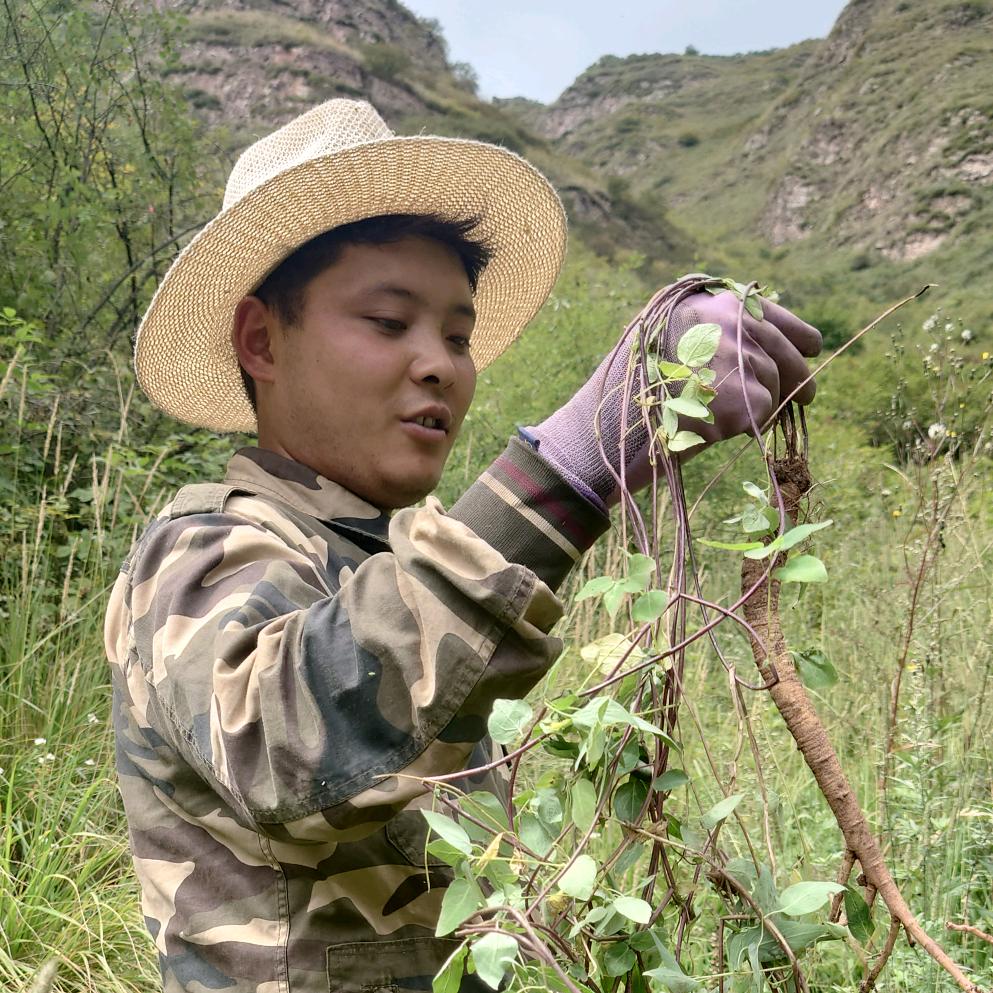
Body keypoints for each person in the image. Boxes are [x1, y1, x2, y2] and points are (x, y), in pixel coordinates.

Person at [104, 99, 821, 993]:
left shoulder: (386, 556)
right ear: (261, 340)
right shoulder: (205, 549)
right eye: (386, 321)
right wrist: (568, 468)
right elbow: (277, 743)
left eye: (457, 334)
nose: (439, 363)